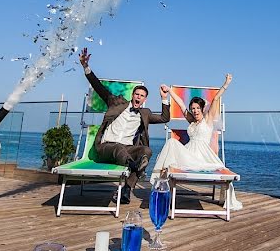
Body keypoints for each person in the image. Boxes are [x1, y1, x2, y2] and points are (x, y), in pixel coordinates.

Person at [79, 48, 169, 204]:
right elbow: (99, 87)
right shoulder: (116, 103)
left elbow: (164, 118)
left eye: (142, 96)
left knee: (146, 151)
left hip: (127, 150)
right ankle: (134, 167)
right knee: (120, 149)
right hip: (106, 148)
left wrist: (164, 98)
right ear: (132, 95)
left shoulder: (145, 113)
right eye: (136, 94)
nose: (138, 97)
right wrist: (86, 67)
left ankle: (127, 189)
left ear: (144, 100)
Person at [151, 74, 242, 211]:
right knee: (170, 145)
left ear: (202, 108)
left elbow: (216, 98)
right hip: (188, 153)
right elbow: (181, 105)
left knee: (171, 144)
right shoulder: (192, 121)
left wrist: (226, 84)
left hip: (201, 156)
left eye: (197, 108)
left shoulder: (208, 120)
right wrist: (169, 91)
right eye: (193, 108)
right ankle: (161, 187)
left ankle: (158, 183)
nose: (195, 111)